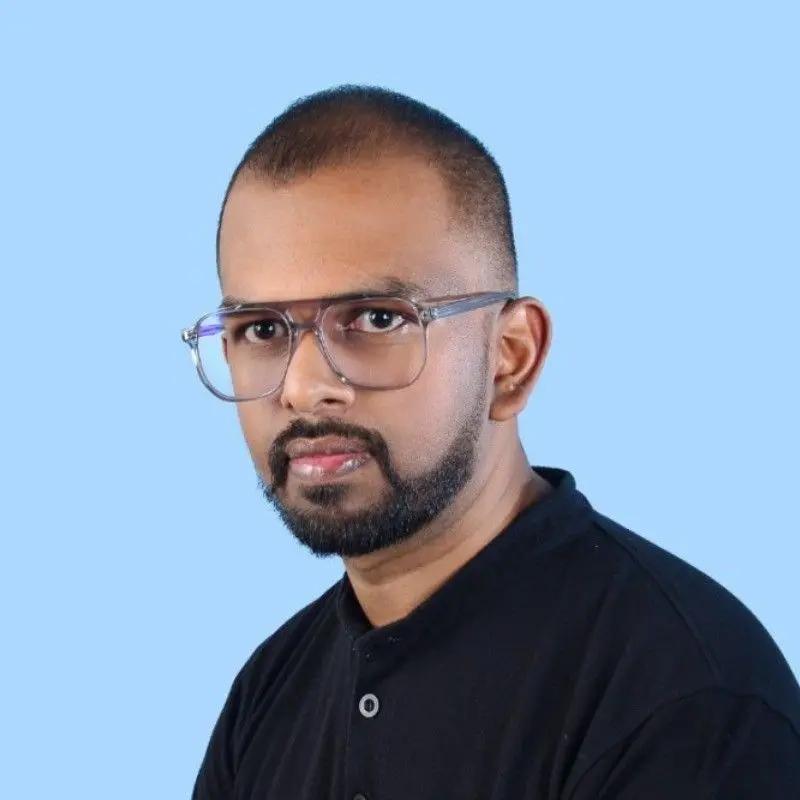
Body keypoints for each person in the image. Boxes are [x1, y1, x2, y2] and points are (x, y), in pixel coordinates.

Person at [184, 86, 800, 799]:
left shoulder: (684, 702)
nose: (303, 387)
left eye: (376, 318)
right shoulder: (269, 697)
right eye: (262, 330)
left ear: (510, 359)